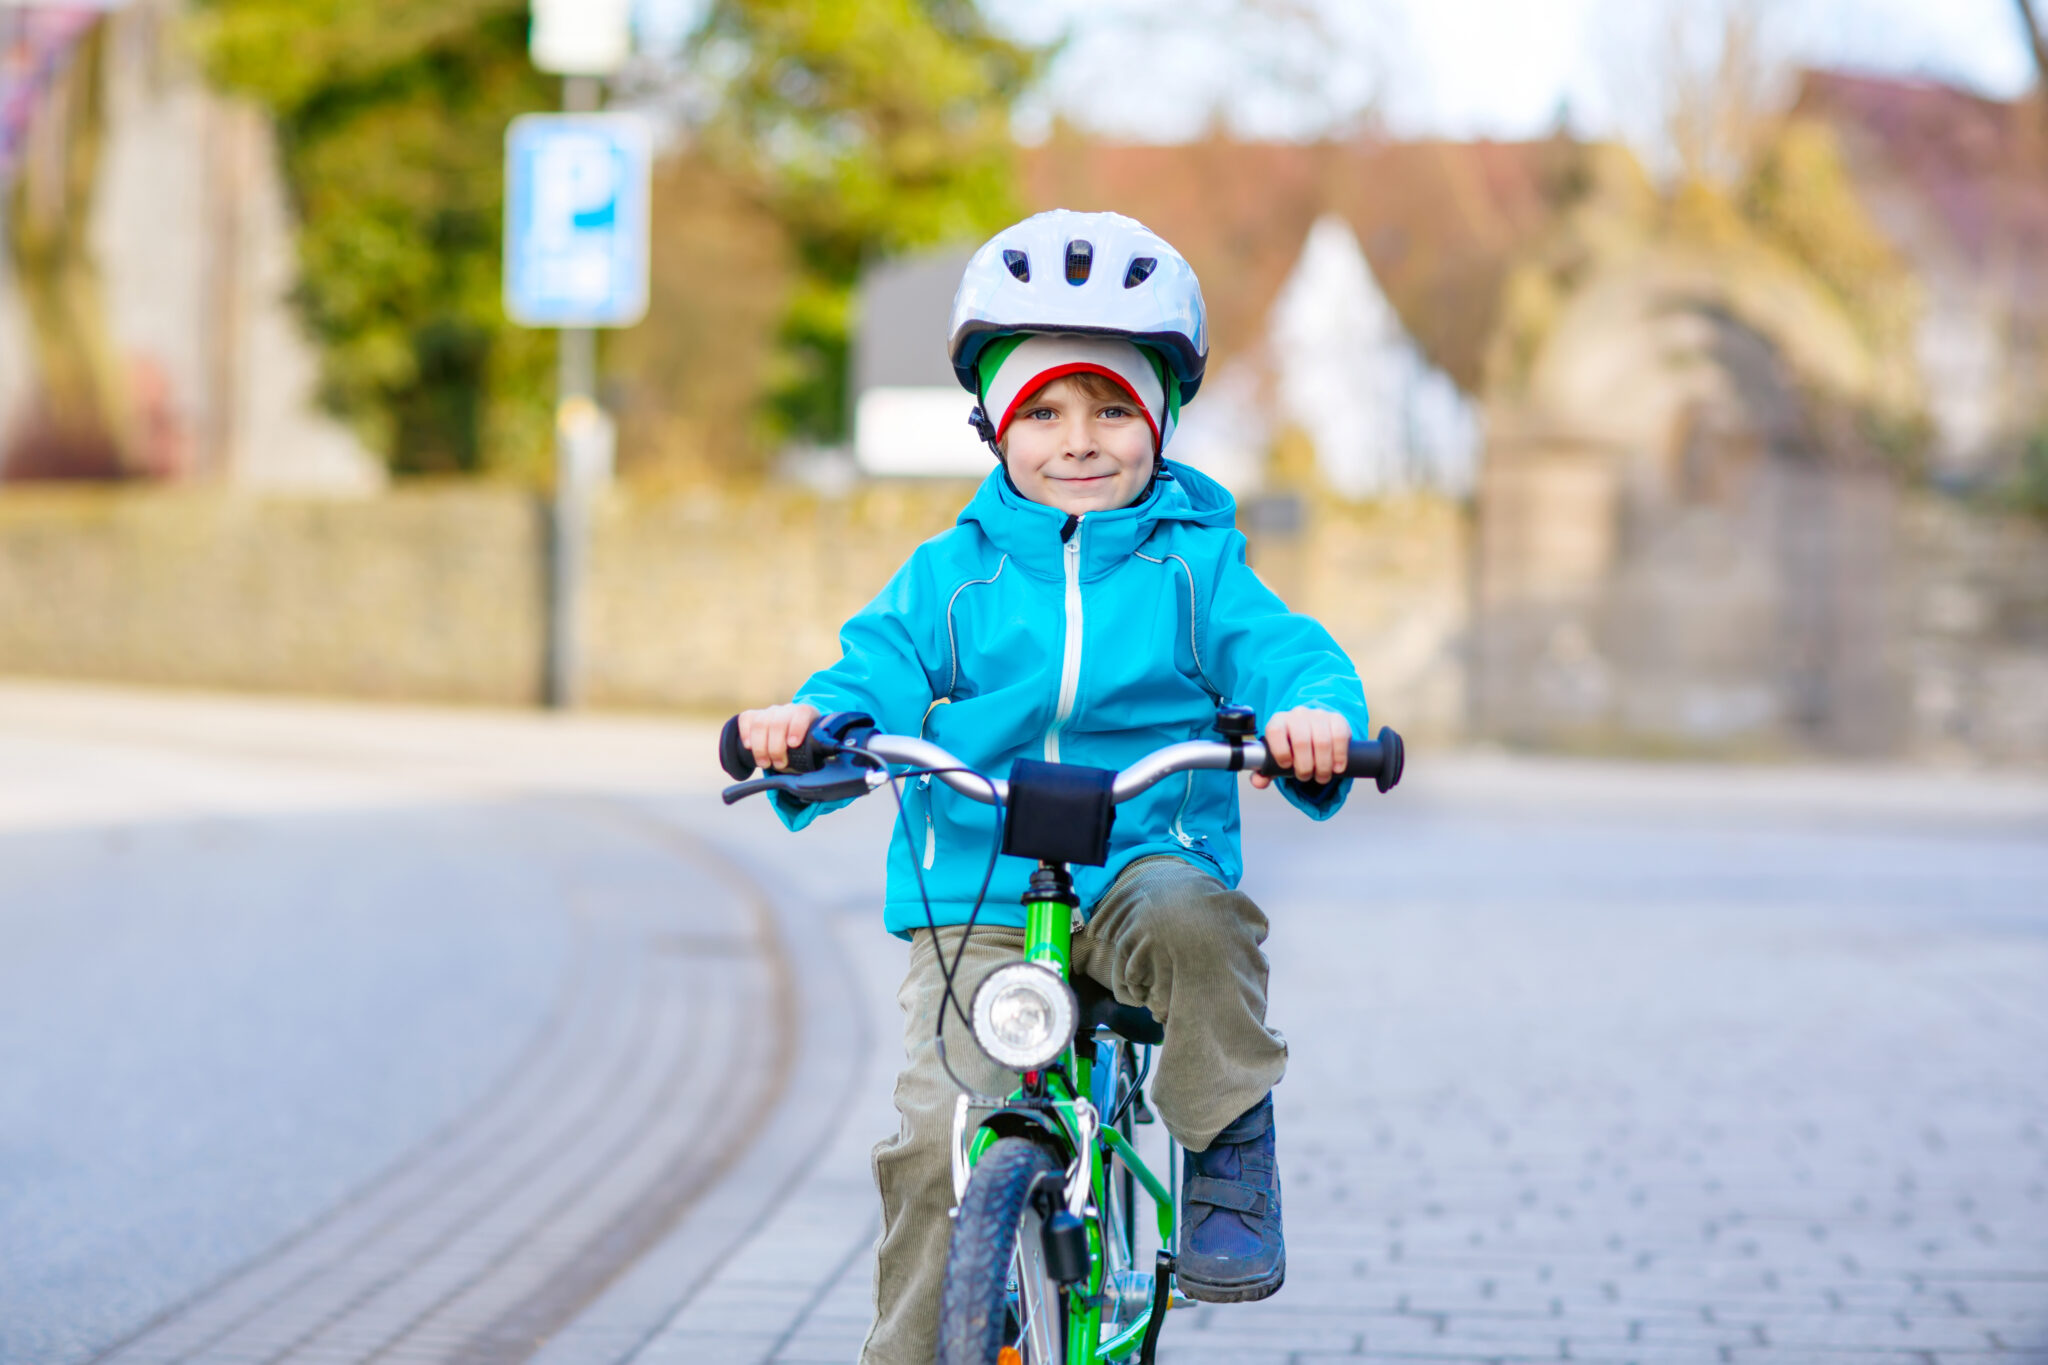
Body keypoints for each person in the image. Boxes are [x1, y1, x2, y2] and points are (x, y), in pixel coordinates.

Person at [735, 209, 1371, 1365]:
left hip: (1139, 866)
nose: (1077, 441)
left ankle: (1226, 1143)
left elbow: (1285, 652)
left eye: (1112, 408)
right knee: (937, 1143)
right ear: (993, 426)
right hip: (976, 898)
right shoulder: (950, 575)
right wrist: (812, 728)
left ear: (1161, 421)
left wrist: (1313, 717)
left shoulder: (1197, 562)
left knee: (1194, 918)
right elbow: (868, 670)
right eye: (1042, 411)